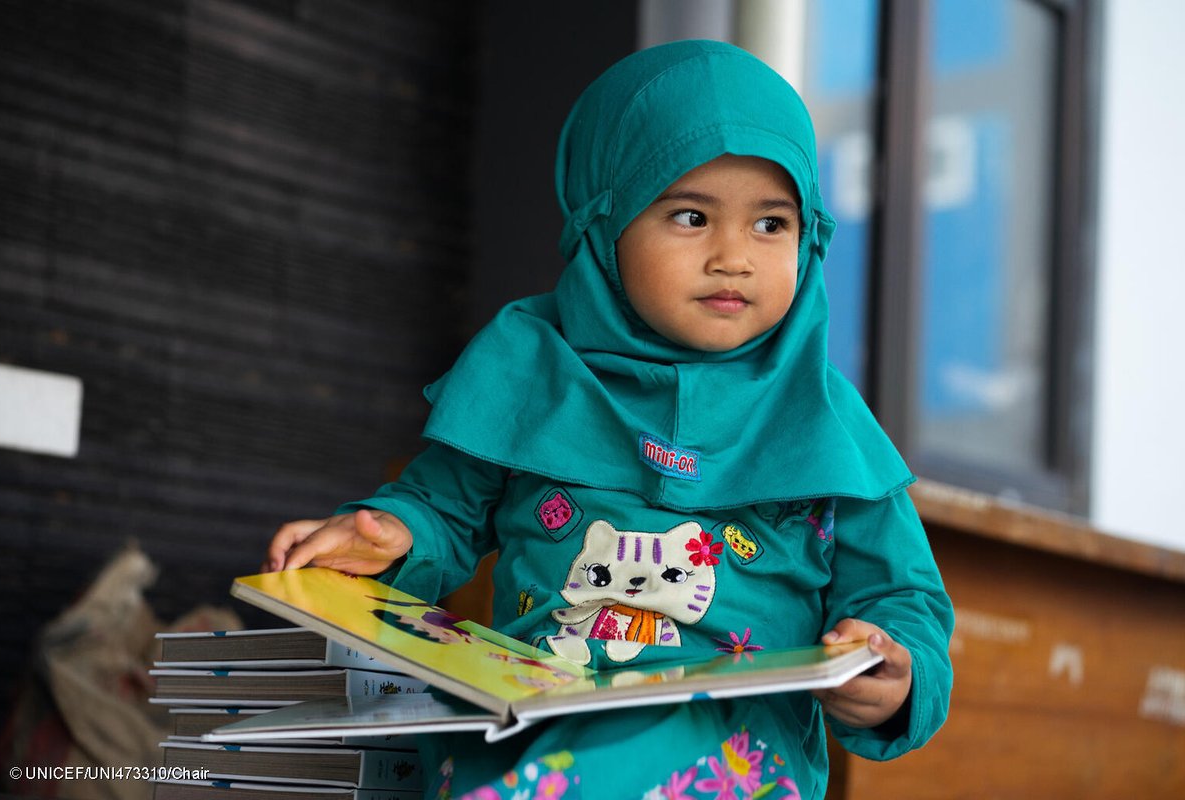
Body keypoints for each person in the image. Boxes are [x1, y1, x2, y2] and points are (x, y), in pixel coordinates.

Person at [264, 39, 953, 800]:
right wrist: (390, 531)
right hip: (531, 726)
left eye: (771, 224)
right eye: (691, 216)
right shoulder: (533, 367)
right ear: (604, 226)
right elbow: (443, 507)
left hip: (733, 756)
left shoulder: (824, 419)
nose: (734, 257)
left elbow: (900, 597)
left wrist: (892, 671)